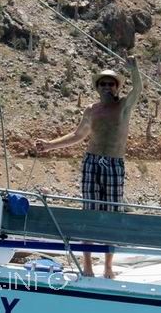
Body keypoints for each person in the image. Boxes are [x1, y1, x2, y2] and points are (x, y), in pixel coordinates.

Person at [35, 56, 143, 278]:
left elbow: (138, 90)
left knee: (111, 216)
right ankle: (87, 266)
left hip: (114, 164)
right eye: (102, 83)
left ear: (116, 87)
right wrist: (49, 146)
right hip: (92, 162)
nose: (106, 87)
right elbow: (78, 135)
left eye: (111, 83)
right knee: (89, 213)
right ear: (97, 87)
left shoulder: (123, 106)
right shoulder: (91, 110)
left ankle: (108, 266)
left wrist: (134, 70)